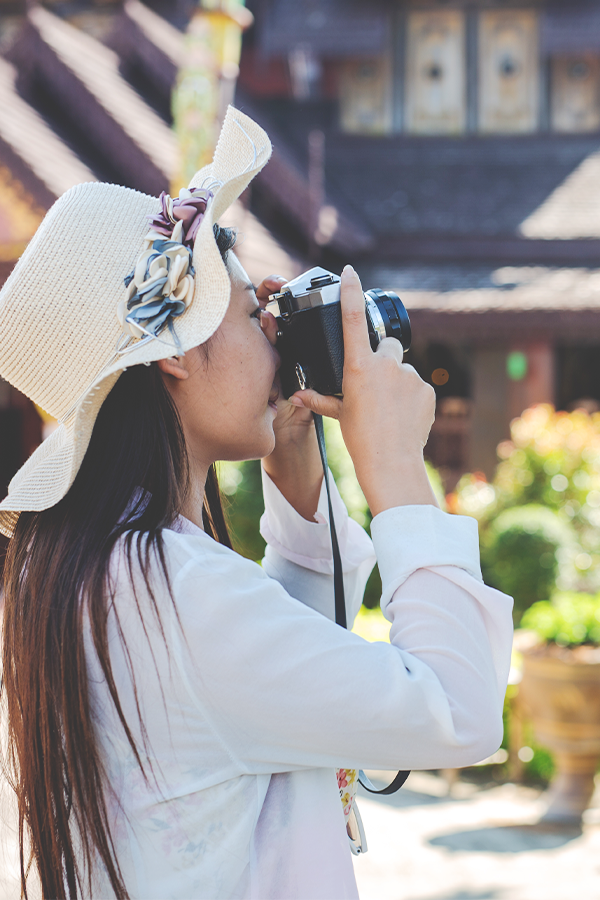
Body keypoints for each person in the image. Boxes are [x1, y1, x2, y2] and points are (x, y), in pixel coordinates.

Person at [0, 108, 513, 900]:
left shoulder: (98, 567)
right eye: (249, 316)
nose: (274, 337)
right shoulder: (176, 591)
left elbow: (268, 679)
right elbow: (460, 708)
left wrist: (298, 462)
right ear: (177, 357)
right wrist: (398, 474)